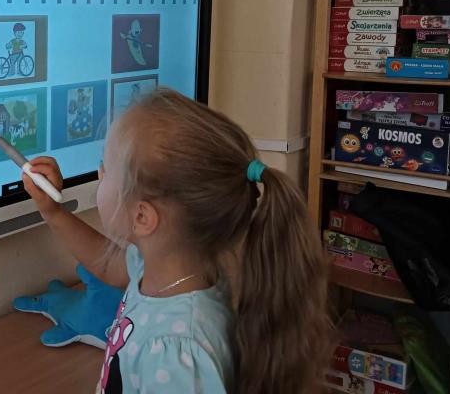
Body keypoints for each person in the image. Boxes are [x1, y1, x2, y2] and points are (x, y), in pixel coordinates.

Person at [22, 88, 331, 394]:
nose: (100, 173)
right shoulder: (170, 268)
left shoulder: (177, 353)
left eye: (107, 168)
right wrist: (53, 212)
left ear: (142, 216)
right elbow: (111, 267)